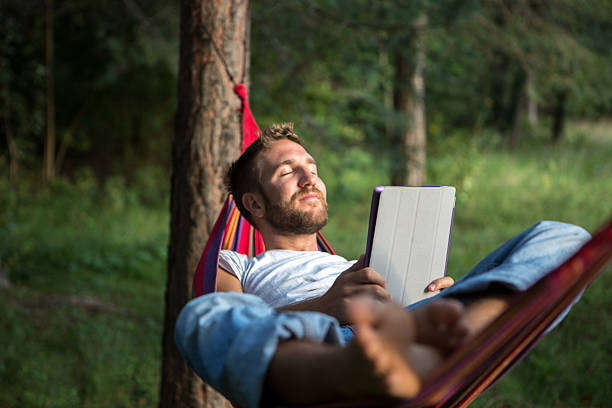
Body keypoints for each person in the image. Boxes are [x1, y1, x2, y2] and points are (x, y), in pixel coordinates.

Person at [175, 123, 590, 408]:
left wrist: (435, 299)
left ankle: (463, 330)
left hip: (400, 328)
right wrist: (325, 304)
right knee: (200, 316)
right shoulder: (236, 261)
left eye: (313, 169)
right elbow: (236, 325)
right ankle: (371, 365)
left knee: (565, 238)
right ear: (254, 204)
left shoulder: (349, 265)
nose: (309, 178)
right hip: (315, 353)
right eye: (289, 171)